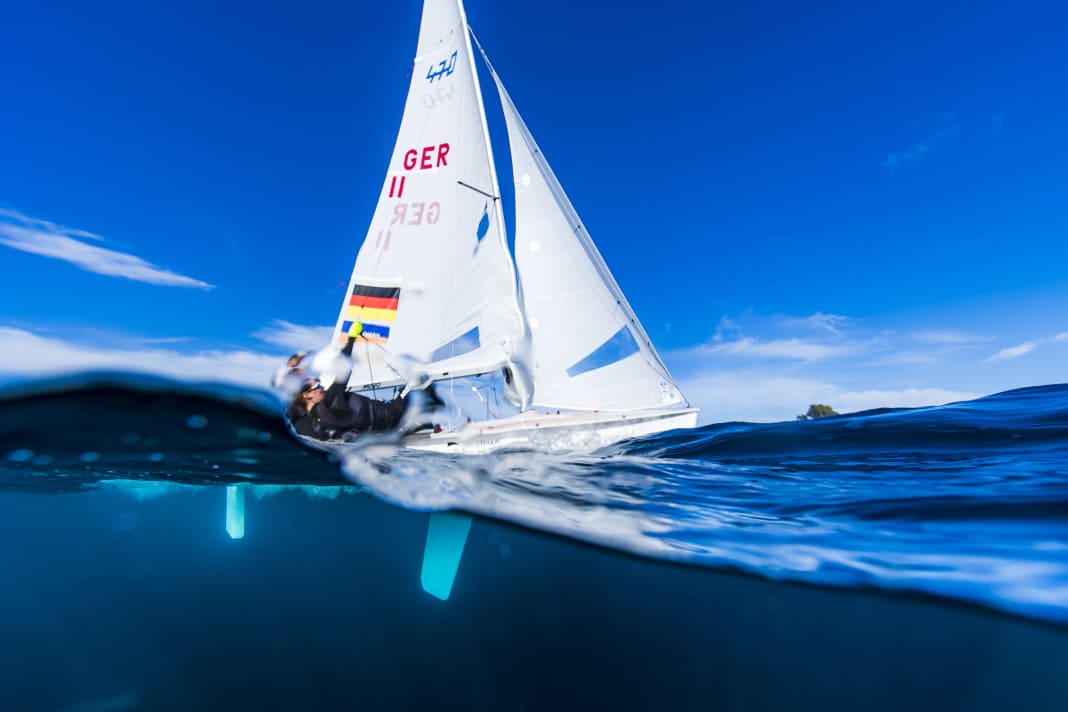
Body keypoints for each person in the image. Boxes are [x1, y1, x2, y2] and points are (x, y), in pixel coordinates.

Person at [286, 325, 443, 441]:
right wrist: (351, 339)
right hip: (392, 414)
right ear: (307, 395)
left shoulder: (316, 421)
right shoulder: (328, 403)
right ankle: (436, 409)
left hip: (383, 427)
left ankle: (424, 423)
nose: (322, 388)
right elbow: (344, 367)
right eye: (318, 387)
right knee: (416, 377)